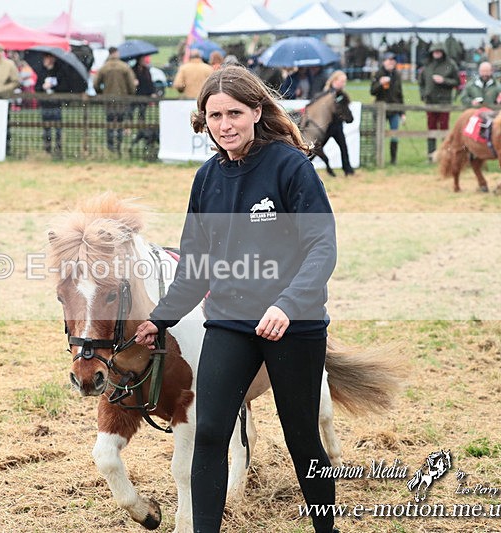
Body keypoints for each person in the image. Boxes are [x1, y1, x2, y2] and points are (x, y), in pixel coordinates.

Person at [133, 65, 338, 533]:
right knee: (209, 434)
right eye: (214, 115)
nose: (224, 124)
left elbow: (322, 248)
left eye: (234, 113)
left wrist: (286, 305)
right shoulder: (207, 178)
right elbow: (196, 264)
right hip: (228, 322)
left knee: (302, 438)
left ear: (257, 111)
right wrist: (161, 319)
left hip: (295, 323)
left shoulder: (291, 166)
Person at [418, 42, 460, 161]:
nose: (437, 53)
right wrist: (423, 95)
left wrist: (444, 80)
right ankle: (431, 155)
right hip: (430, 101)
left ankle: (445, 155)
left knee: (444, 128)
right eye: (435, 51)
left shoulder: (450, 65)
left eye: (439, 51)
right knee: (431, 128)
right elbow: (421, 83)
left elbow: (457, 82)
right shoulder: (427, 65)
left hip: (444, 101)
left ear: (443, 52)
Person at [94, 46, 136, 153]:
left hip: (108, 100)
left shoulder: (104, 67)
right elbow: (132, 85)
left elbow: (96, 84)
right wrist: (130, 94)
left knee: (110, 122)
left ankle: (110, 145)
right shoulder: (125, 67)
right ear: (117, 53)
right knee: (121, 122)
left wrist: (101, 93)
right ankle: (119, 145)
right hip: (122, 99)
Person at [370, 52, 405, 165]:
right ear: (384, 61)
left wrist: (402, 112)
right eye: (389, 60)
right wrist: (380, 83)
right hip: (381, 110)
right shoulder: (378, 74)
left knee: (394, 135)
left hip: (394, 109)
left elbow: (400, 94)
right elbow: (372, 91)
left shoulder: (397, 75)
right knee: (378, 134)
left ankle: (393, 159)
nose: (391, 62)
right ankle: (377, 158)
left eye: (393, 60)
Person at [319, 70, 355, 176]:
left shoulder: (343, 95)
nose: (343, 84)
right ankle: (307, 164)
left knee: (343, 147)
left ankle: (348, 169)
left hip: (338, 126)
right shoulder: (326, 93)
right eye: (341, 81)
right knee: (318, 148)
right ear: (334, 80)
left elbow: (345, 109)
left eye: (344, 82)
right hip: (327, 127)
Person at [34, 52, 68, 158]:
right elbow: (37, 88)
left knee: (58, 129)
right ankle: (47, 150)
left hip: (56, 104)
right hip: (45, 104)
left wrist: (53, 87)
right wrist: (43, 87)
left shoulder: (59, 72)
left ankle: (58, 150)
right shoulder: (42, 72)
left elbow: (64, 87)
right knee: (46, 130)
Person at [132, 55, 156, 122]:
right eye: (142, 59)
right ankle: (129, 129)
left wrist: (152, 92)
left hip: (144, 95)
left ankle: (141, 130)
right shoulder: (133, 70)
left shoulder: (146, 70)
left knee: (142, 113)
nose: (144, 61)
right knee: (131, 113)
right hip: (135, 95)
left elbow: (150, 82)